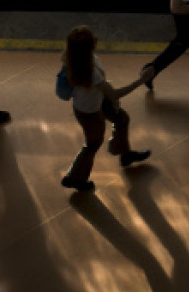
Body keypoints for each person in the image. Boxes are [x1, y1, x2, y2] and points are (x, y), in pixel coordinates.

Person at [60, 26, 154, 191]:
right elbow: (114, 94)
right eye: (92, 39)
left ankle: (123, 152)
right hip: (90, 112)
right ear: (90, 46)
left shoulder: (71, 57)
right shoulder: (90, 72)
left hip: (95, 102)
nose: (96, 39)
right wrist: (142, 80)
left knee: (122, 118)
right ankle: (74, 178)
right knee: (92, 144)